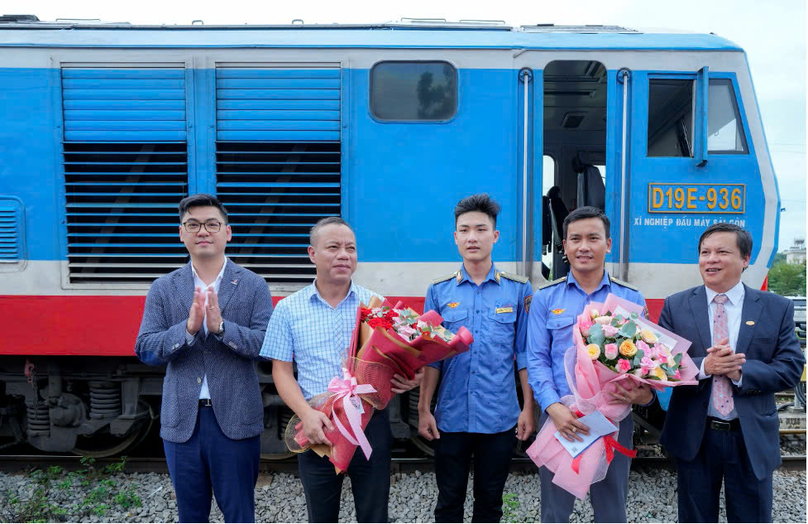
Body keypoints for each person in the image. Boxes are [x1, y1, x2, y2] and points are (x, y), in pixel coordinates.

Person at [261, 216, 422, 523]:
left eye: (350, 248)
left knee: (375, 516)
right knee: (321, 516)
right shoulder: (288, 309)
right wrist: (307, 416)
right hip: (317, 424)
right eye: (333, 247)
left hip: (370, 423)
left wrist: (411, 377)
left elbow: (409, 356)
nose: (344, 255)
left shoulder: (376, 305)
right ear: (312, 254)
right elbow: (281, 371)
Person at [135, 194, 273, 523]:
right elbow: (145, 348)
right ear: (181, 233)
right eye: (193, 224)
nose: (203, 231)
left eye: (212, 224)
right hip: (182, 422)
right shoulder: (163, 287)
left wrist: (222, 328)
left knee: (240, 513)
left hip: (236, 421)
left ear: (228, 232)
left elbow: (267, 344)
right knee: (190, 515)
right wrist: (187, 329)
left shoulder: (254, 285)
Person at [658, 223, 804, 523]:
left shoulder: (777, 308)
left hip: (750, 437)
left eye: (722, 252)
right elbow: (662, 364)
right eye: (704, 252)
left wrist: (739, 371)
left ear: (745, 259)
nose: (711, 259)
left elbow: (790, 367)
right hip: (695, 436)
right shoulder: (676, 305)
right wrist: (704, 367)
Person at [527, 205, 654, 523]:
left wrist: (643, 392)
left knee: (611, 508)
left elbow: (646, 360)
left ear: (608, 244)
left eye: (593, 238)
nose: (584, 246)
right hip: (560, 418)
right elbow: (537, 359)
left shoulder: (631, 299)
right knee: (555, 511)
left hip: (612, 418)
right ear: (565, 247)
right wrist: (552, 407)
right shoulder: (546, 299)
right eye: (575, 239)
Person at [418, 193, 535, 523]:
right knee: (448, 501)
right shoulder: (439, 291)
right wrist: (424, 409)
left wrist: (528, 408)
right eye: (464, 230)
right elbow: (431, 357)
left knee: (490, 502)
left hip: (499, 417)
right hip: (450, 417)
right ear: (455, 237)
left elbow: (524, 355)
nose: (472, 237)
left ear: (494, 236)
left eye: (481, 229)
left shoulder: (518, 290)